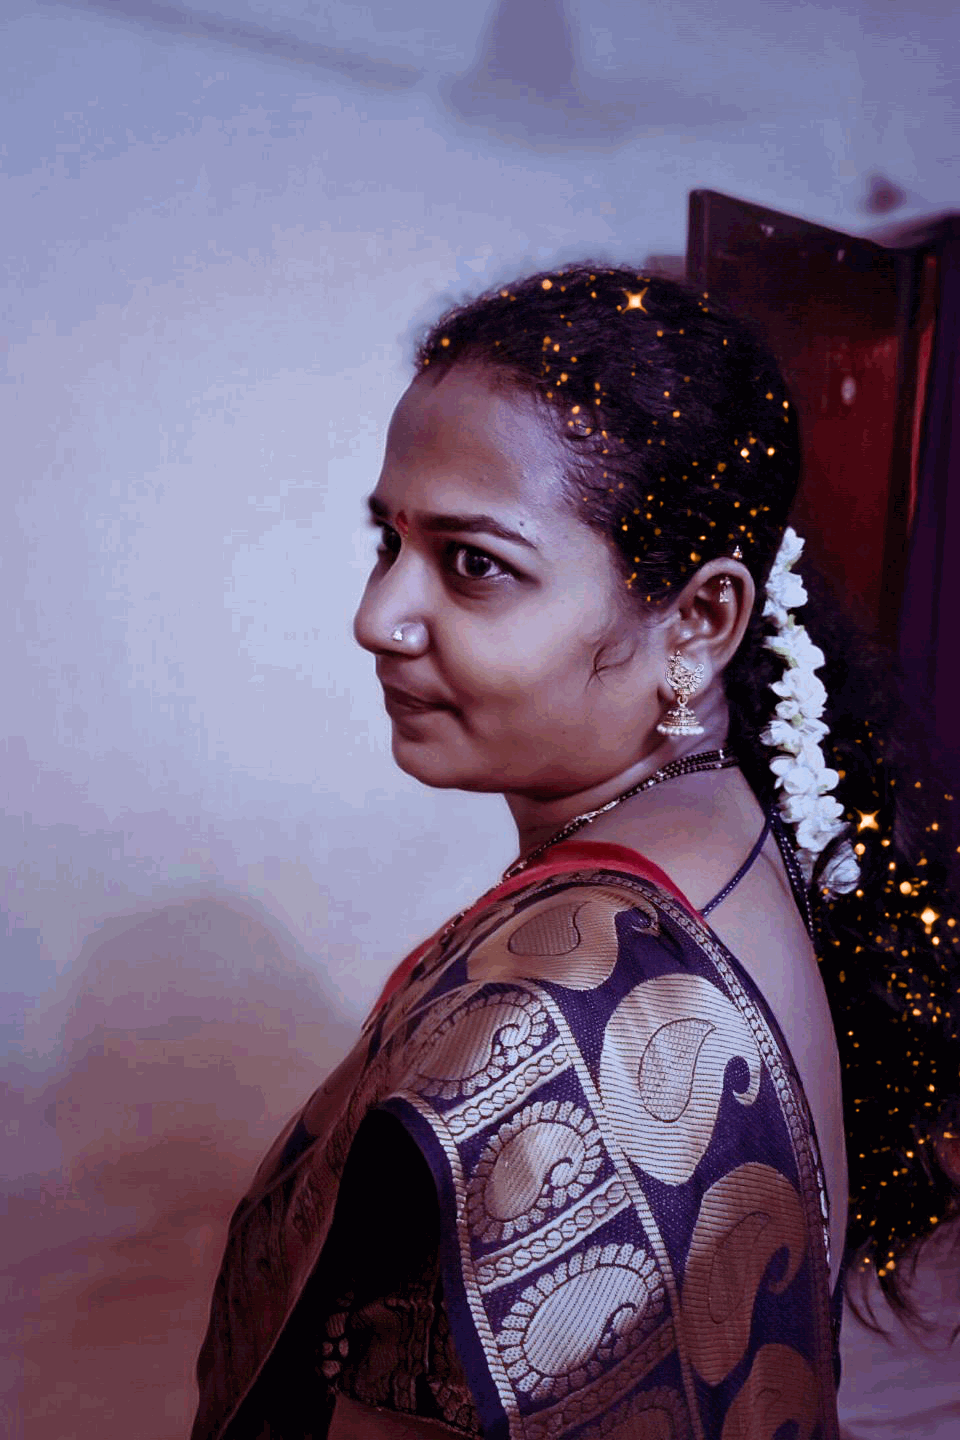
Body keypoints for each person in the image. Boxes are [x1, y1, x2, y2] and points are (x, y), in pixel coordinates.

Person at [190, 265, 960, 1440]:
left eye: (475, 563)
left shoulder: (566, 1022)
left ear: (698, 621)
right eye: (388, 540)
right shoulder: (728, 832)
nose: (377, 617)